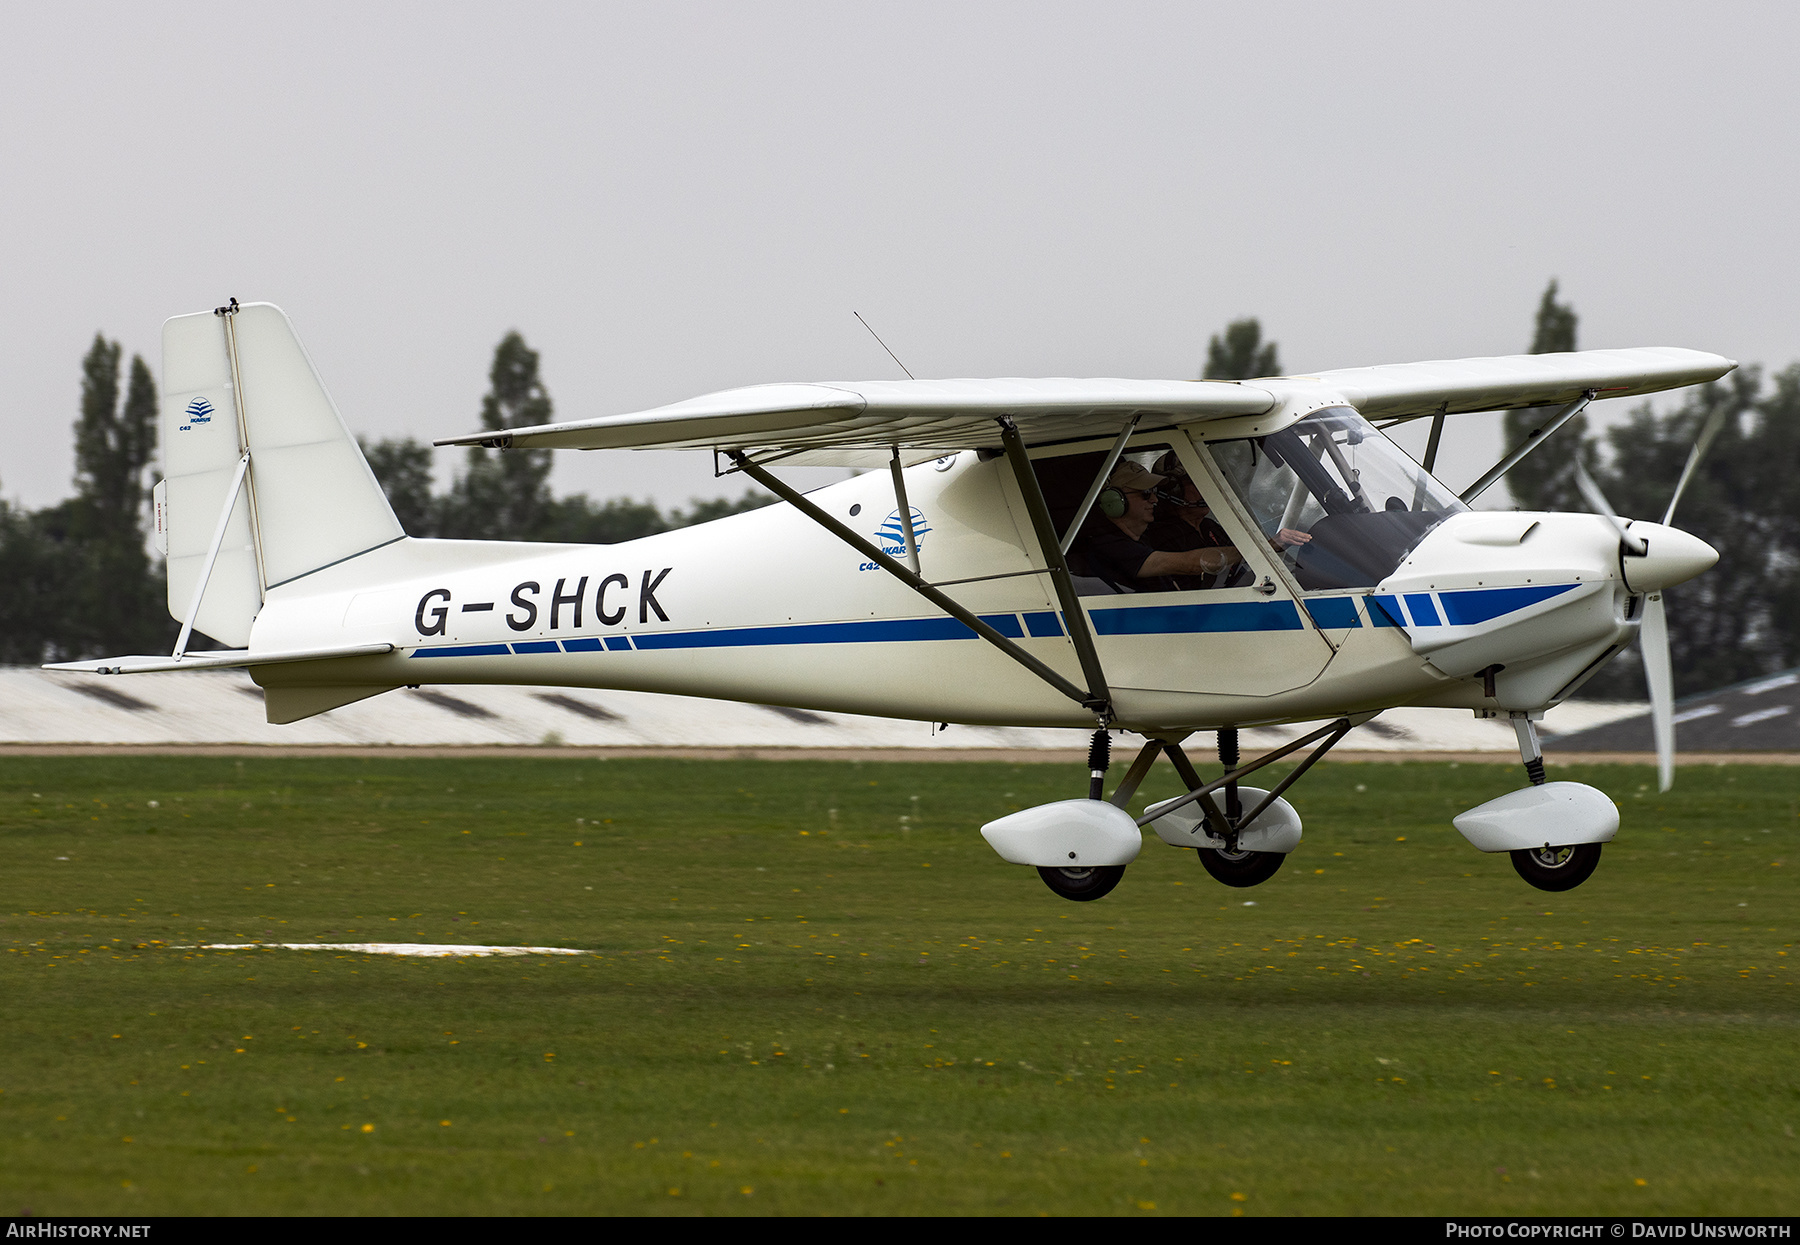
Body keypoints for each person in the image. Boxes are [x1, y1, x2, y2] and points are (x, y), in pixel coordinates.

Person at [1069, 461, 1242, 591]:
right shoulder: (1108, 545)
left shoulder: (1142, 538)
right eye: (1145, 494)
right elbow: (1189, 564)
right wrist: (1247, 552)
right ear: (1114, 500)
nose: (1154, 499)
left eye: (1154, 492)